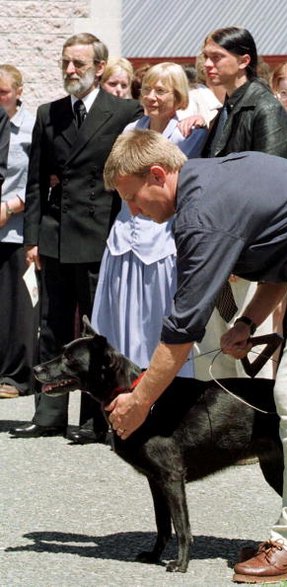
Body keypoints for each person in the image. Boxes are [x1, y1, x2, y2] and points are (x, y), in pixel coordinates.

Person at [102, 129, 287, 583]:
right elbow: (286, 249)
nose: (133, 211)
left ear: (158, 175)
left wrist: (140, 400)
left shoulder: (199, 214)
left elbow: (183, 326)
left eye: (133, 198)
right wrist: (246, 323)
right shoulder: (210, 178)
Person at [10, 33, 142, 441]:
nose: (70, 70)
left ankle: (95, 419)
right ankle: (48, 413)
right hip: (54, 234)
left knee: (96, 333)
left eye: (78, 64)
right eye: (65, 62)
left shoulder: (124, 112)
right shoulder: (49, 114)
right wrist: (32, 237)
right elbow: (35, 182)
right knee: (50, 326)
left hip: (100, 235)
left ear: (100, 68)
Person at [92, 62, 207, 373]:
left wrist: (200, 118)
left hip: (161, 237)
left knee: (155, 316)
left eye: (161, 90)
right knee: (118, 319)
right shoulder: (131, 129)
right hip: (123, 237)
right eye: (147, 89)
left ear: (179, 95)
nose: (151, 97)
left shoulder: (190, 131)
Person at [195, 26, 287, 379]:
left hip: (249, 255)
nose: (207, 64)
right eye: (206, 57)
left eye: (216, 57)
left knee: (250, 361)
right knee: (216, 359)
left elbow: (270, 187)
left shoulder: (266, 108)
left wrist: (243, 249)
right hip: (221, 252)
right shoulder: (226, 109)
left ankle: (261, 434)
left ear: (243, 61)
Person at [0, 64, 38, 399]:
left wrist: (10, 207)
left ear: (19, 91)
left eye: (3, 93)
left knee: (18, 306)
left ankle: (16, 377)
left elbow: (40, 179)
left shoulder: (30, 128)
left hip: (15, 227)